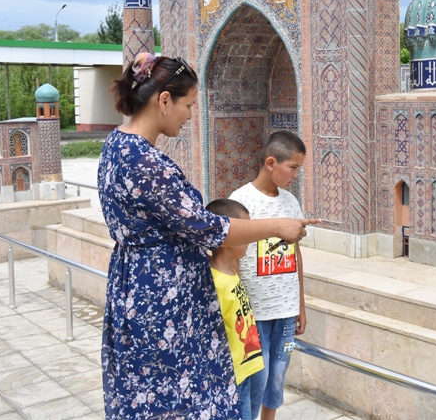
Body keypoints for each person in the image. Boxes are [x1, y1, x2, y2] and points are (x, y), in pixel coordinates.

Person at [98, 52, 315, 420]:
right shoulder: (144, 161)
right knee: (175, 400)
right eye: (188, 105)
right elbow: (205, 226)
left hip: (136, 287)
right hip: (162, 302)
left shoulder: (116, 146)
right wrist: (277, 227)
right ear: (163, 100)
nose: (189, 115)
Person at [229, 131, 306, 420]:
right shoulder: (241, 201)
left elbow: (296, 257)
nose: (295, 175)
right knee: (254, 380)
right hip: (255, 315)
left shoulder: (290, 203)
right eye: (293, 168)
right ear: (271, 162)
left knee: (276, 377)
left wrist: (300, 305)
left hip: (285, 311)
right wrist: (241, 313)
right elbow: (232, 258)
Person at [207, 199, 264, 420]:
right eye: (244, 231)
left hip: (249, 364)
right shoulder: (215, 281)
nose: (249, 238)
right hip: (233, 374)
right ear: (227, 237)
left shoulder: (231, 272)